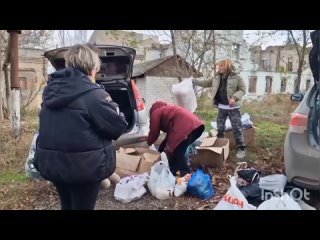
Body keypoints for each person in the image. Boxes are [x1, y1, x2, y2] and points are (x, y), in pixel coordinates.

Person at [34, 44, 128, 210]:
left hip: (54, 164)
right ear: (92, 67)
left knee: (67, 205)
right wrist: (112, 105)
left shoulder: (51, 91)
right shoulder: (94, 95)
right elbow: (117, 127)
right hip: (83, 168)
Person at [193, 59, 247, 158]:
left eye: (221, 66)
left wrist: (234, 98)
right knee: (220, 128)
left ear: (227, 66)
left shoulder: (237, 76)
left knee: (236, 128)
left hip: (233, 107)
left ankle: (241, 148)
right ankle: (221, 146)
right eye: (219, 66)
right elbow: (205, 82)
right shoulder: (216, 77)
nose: (219, 68)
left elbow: (243, 89)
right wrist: (193, 81)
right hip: (222, 107)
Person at [147, 101, 205, 177]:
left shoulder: (156, 113)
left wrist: (147, 144)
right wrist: (161, 149)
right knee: (177, 149)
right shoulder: (168, 110)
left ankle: (186, 174)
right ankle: (174, 172)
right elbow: (169, 136)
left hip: (185, 126)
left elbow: (154, 133)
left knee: (178, 151)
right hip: (197, 127)